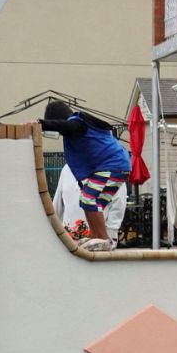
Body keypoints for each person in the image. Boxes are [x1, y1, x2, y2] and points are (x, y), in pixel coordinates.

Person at [39, 100, 129, 251]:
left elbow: (69, 126)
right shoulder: (81, 139)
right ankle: (95, 236)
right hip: (116, 166)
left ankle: (103, 238)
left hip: (112, 166)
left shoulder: (78, 123)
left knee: (88, 199)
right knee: (91, 202)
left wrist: (41, 123)